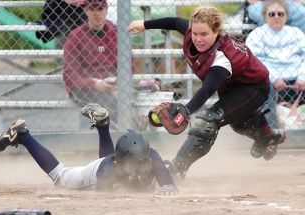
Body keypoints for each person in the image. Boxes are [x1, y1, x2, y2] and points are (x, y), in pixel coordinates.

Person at [128, 6, 286, 179]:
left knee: (208, 119)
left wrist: (186, 111)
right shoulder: (191, 32)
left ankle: (177, 168)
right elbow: (173, 22)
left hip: (253, 87)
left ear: (216, 32)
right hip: (231, 86)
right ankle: (268, 137)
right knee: (238, 123)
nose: (198, 39)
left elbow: (207, 90)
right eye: (195, 33)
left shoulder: (221, 57)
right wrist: (144, 24)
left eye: (204, 34)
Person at [0, 103, 178, 194]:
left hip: (111, 161)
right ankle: (23, 135)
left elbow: (170, 186)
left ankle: (102, 125)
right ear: (119, 161)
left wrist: (167, 187)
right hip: (92, 174)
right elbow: (107, 199)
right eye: (133, 164)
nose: (140, 166)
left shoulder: (152, 155)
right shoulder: (107, 171)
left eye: (141, 162)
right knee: (61, 176)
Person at [246, 0, 305, 129]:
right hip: (271, 79)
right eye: (272, 14)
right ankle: (272, 131)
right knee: (263, 87)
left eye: (280, 13)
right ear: (265, 15)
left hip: (297, 77)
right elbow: (257, 62)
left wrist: (302, 77)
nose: (276, 16)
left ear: (287, 15)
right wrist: (274, 77)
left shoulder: (296, 33)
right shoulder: (256, 35)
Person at [63, 0, 119, 122]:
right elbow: (70, 74)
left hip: (112, 86)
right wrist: (94, 84)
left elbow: (127, 65)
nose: (96, 14)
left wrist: (120, 85)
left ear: (106, 10)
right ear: (86, 11)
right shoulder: (75, 36)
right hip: (86, 88)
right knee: (99, 101)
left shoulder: (116, 32)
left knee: (117, 99)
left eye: (100, 9)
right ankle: (91, 137)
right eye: (92, 9)